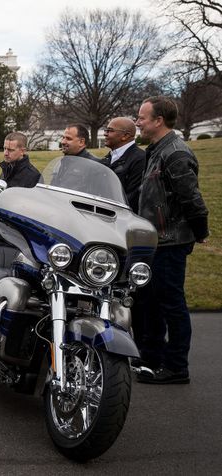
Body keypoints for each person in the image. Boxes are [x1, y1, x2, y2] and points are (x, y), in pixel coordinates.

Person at [135, 96, 208, 385]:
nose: (137, 121)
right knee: (149, 302)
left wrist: (199, 232)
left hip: (170, 241)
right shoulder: (156, 151)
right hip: (154, 241)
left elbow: (192, 199)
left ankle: (177, 367)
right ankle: (152, 358)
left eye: (142, 117)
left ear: (158, 120)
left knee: (170, 304)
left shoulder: (176, 153)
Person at [101, 117, 145, 213]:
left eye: (110, 131)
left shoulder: (140, 159)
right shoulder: (107, 158)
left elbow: (133, 196)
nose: (105, 134)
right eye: (106, 130)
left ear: (125, 135)